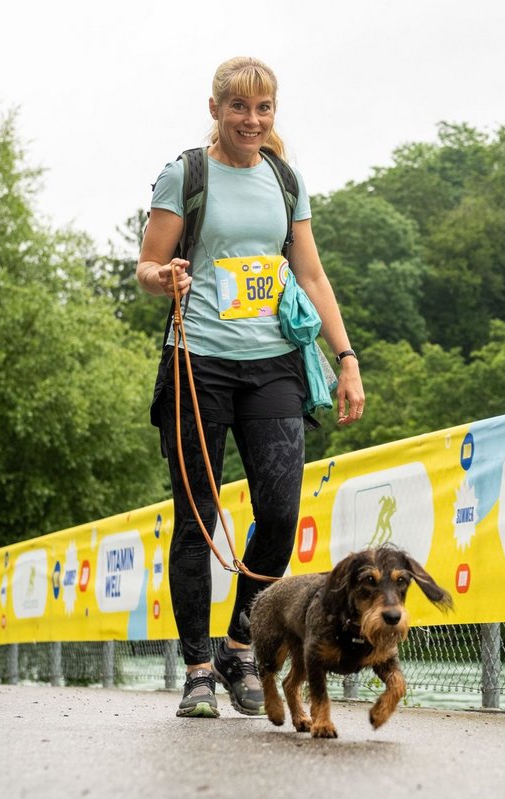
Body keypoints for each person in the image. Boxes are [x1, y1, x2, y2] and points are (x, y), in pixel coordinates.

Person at [137, 56, 365, 718]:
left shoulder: (284, 179)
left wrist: (346, 356)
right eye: (239, 107)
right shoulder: (187, 174)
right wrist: (163, 278)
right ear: (216, 110)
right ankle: (199, 670)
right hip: (197, 361)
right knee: (196, 517)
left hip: (271, 364)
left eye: (263, 109)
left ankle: (239, 641)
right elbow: (146, 265)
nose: (252, 119)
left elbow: (313, 275)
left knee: (281, 514)